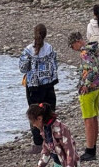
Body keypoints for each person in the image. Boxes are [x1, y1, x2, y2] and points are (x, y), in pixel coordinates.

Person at [19, 24, 59, 155]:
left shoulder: (28, 50)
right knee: (49, 112)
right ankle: (51, 139)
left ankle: (38, 144)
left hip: (34, 86)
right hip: (48, 85)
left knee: (34, 113)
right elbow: (55, 66)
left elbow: (22, 68)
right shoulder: (50, 49)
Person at [69, 30, 99, 163]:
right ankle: (92, 148)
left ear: (77, 42)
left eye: (72, 46)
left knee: (88, 120)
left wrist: (87, 84)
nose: (72, 49)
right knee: (94, 118)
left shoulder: (84, 53)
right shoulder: (94, 49)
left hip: (88, 91)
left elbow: (92, 69)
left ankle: (90, 150)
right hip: (97, 89)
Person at [27, 103, 78, 167]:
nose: (33, 125)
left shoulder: (62, 129)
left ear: (39, 118)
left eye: (33, 122)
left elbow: (70, 152)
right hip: (57, 163)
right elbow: (46, 150)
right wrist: (40, 165)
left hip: (68, 163)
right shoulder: (45, 129)